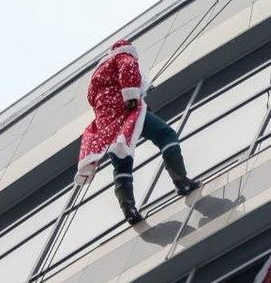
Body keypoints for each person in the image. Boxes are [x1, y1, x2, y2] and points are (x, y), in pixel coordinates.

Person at [76, 39, 200, 225]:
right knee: (166, 136)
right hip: (128, 110)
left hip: (108, 125)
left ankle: (129, 209)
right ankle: (181, 180)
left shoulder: (97, 78)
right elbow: (127, 69)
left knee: (122, 164)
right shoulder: (123, 56)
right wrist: (132, 97)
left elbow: (94, 100)